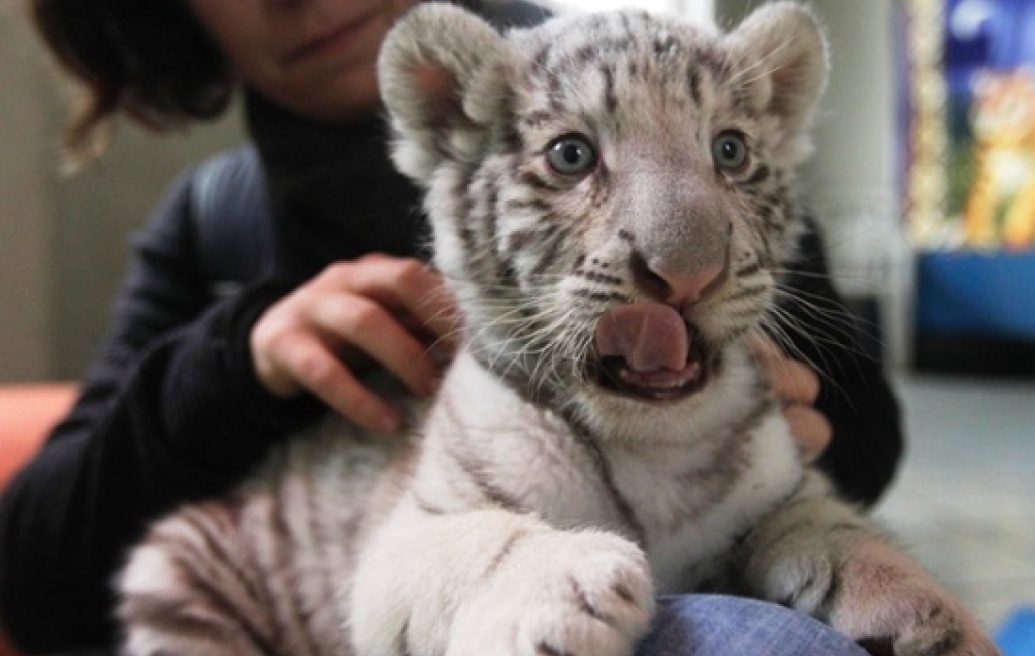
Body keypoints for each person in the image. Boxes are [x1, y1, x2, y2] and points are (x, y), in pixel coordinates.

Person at [0, 0, 902, 654]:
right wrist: (232, 364)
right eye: (571, 157)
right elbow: (38, 573)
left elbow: (866, 428)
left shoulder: (674, 94)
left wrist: (759, 429)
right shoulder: (212, 222)